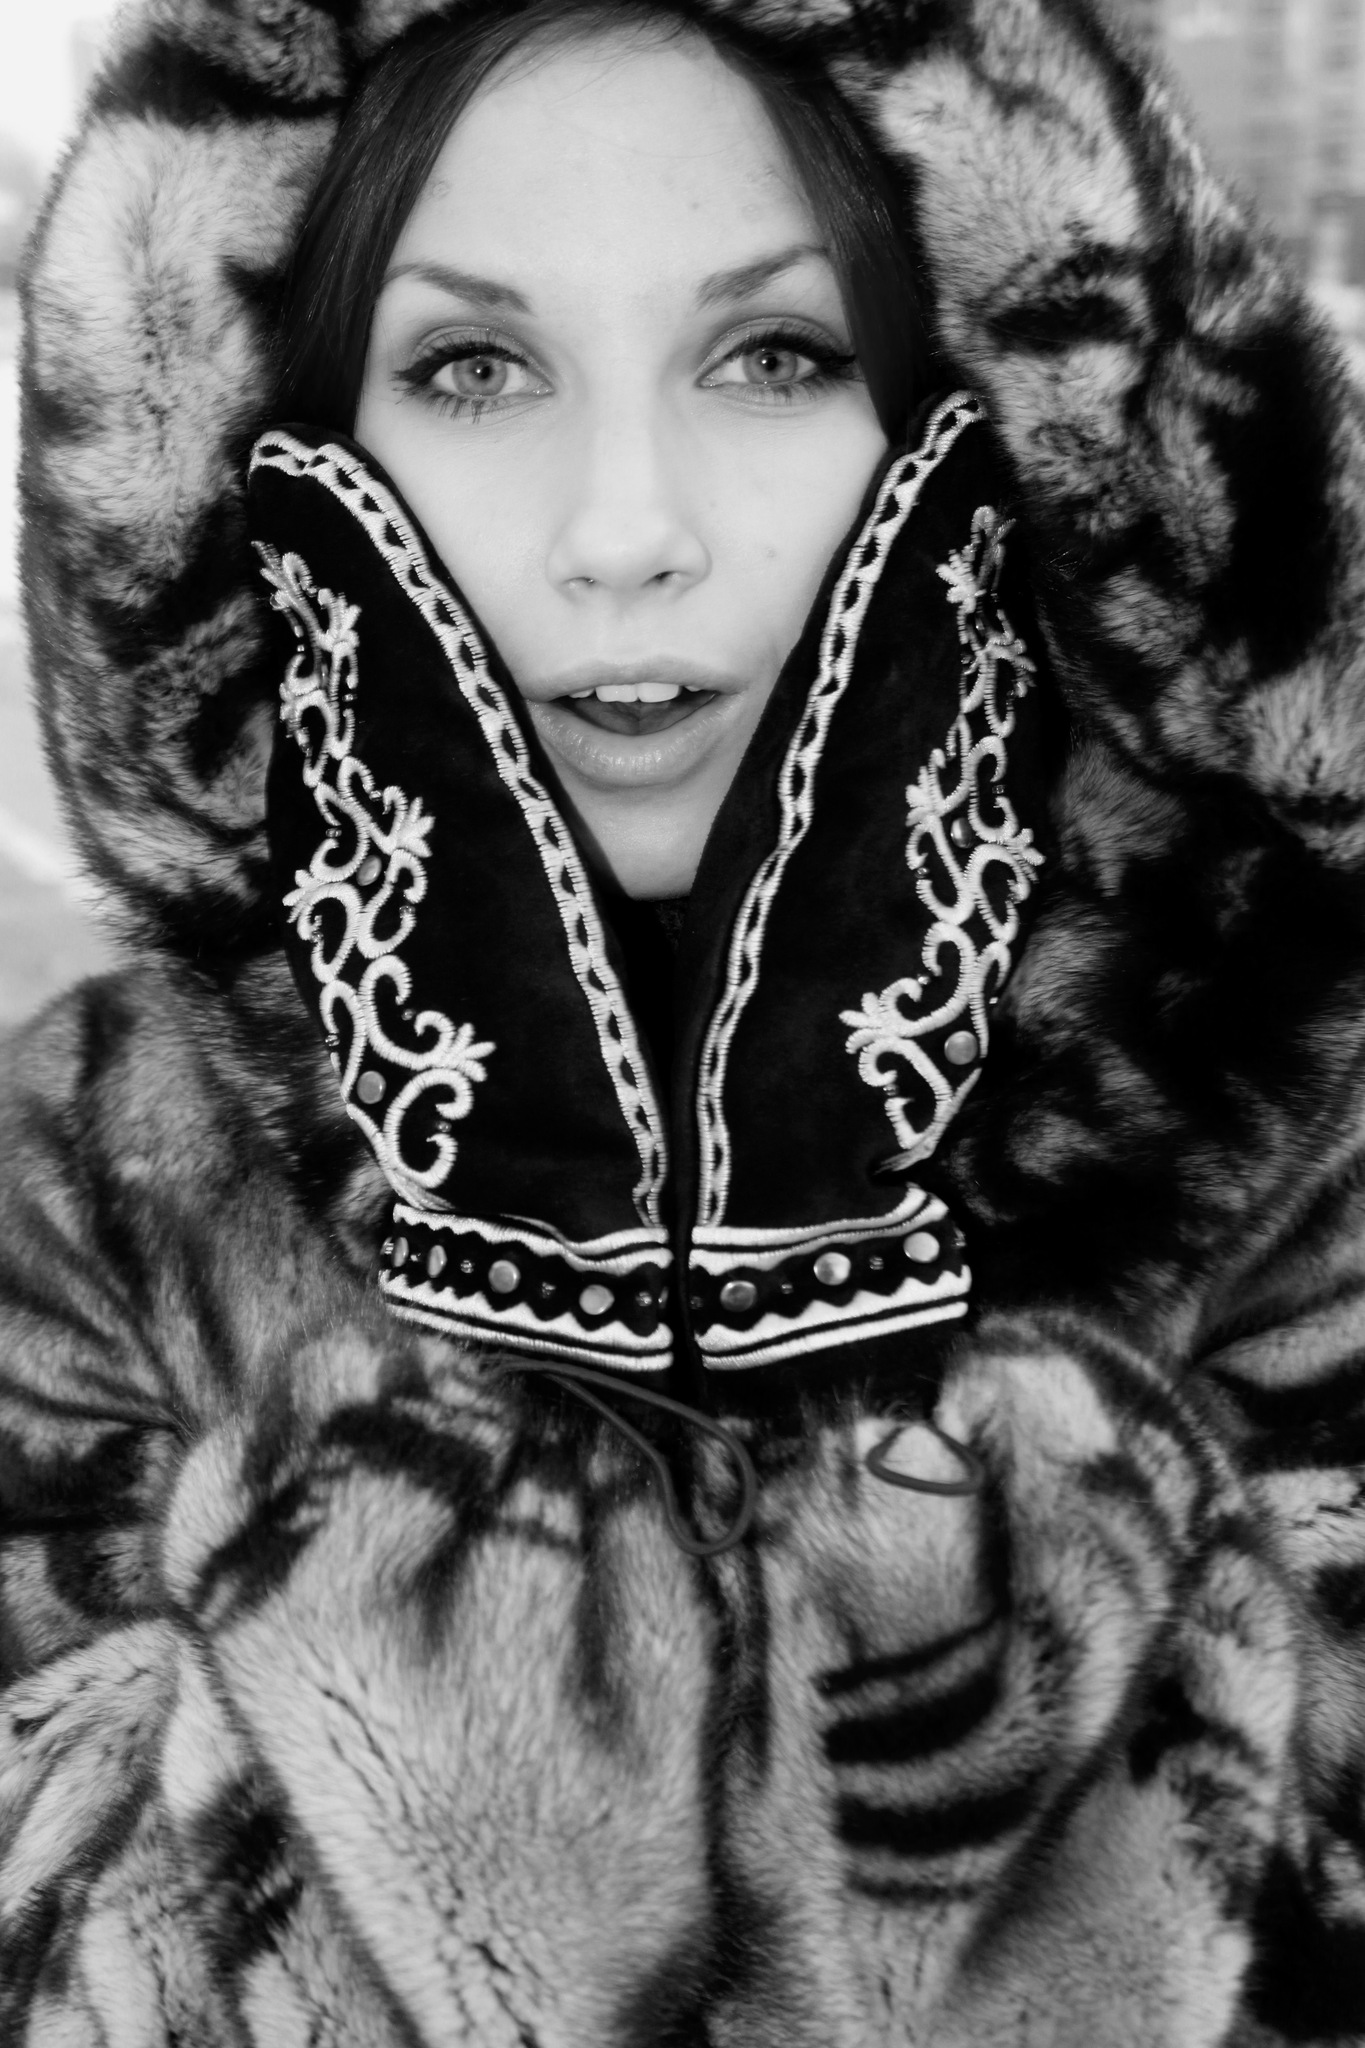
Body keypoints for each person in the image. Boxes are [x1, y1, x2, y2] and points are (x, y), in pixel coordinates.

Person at [2, 0, 1363, 2041]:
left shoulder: (1311, 1136)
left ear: (990, 426)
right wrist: (529, 1240)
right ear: (279, 463)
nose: (625, 530)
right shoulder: (91, 1175)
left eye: (775, 356)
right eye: (470, 370)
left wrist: (830, 1265)